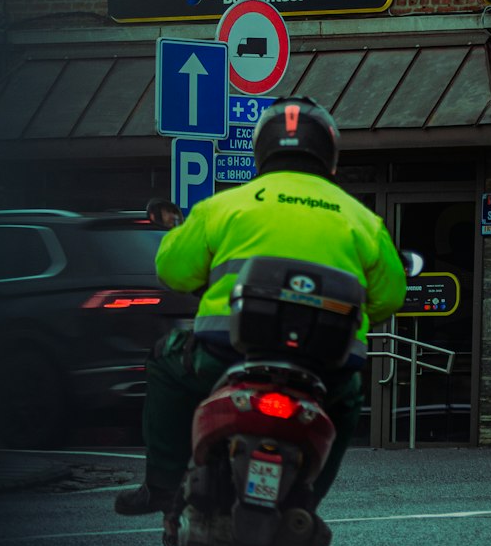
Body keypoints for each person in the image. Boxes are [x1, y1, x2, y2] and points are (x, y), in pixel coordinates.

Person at [115, 95, 408, 516]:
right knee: (347, 400)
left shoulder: (224, 206)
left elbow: (172, 270)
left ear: (261, 151)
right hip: (324, 369)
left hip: (225, 356)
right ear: (329, 156)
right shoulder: (363, 221)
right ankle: (307, 504)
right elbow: (389, 299)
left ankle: (161, 485)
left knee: (165, 359)